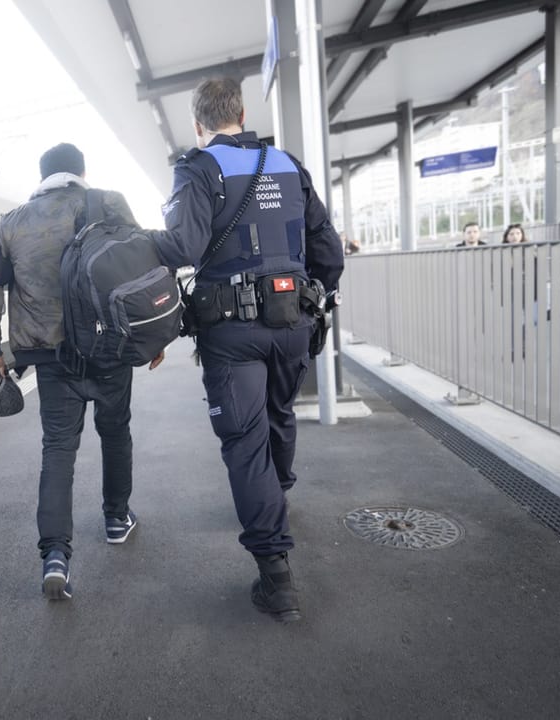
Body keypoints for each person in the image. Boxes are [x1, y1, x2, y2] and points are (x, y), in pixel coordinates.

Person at [144, 78, 344, 622]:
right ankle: (278, 495)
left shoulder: (198, 168)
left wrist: (138, 240)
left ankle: (276, 575)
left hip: (232, 331)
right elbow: (325, 244)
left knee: (244, 439)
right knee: (281, 414)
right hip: (294, 319)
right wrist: (318, 293)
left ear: (198, 123)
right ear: (241, 111)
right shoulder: (286, 162)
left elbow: (182, 246)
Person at [0, 143, 150, 601]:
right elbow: (141, 264)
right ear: (81, 172)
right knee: (115, 433)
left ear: (42, 176)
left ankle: (55, 555)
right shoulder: (105, 202)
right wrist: (154, 338)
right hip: (108, 348)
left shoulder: (12, 222)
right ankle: (116, 518)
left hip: (50, 359)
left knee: (58, 451)